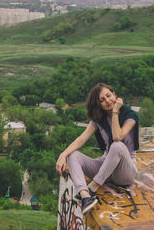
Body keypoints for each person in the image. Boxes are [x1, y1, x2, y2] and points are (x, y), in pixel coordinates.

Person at [56, 83, 139, 214]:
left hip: (124, 172)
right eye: (102, 100)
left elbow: (117, 136)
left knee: (117, 146)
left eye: (108, 96)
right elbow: (82, 139)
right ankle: (85, 195)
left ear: (114, 94)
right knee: (72, 155)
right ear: (99, 104)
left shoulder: (130, 115)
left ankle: (92, 188)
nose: (107, 101)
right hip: (105, 167)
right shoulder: (99, 118)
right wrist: (63, 154)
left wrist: (116, 111)